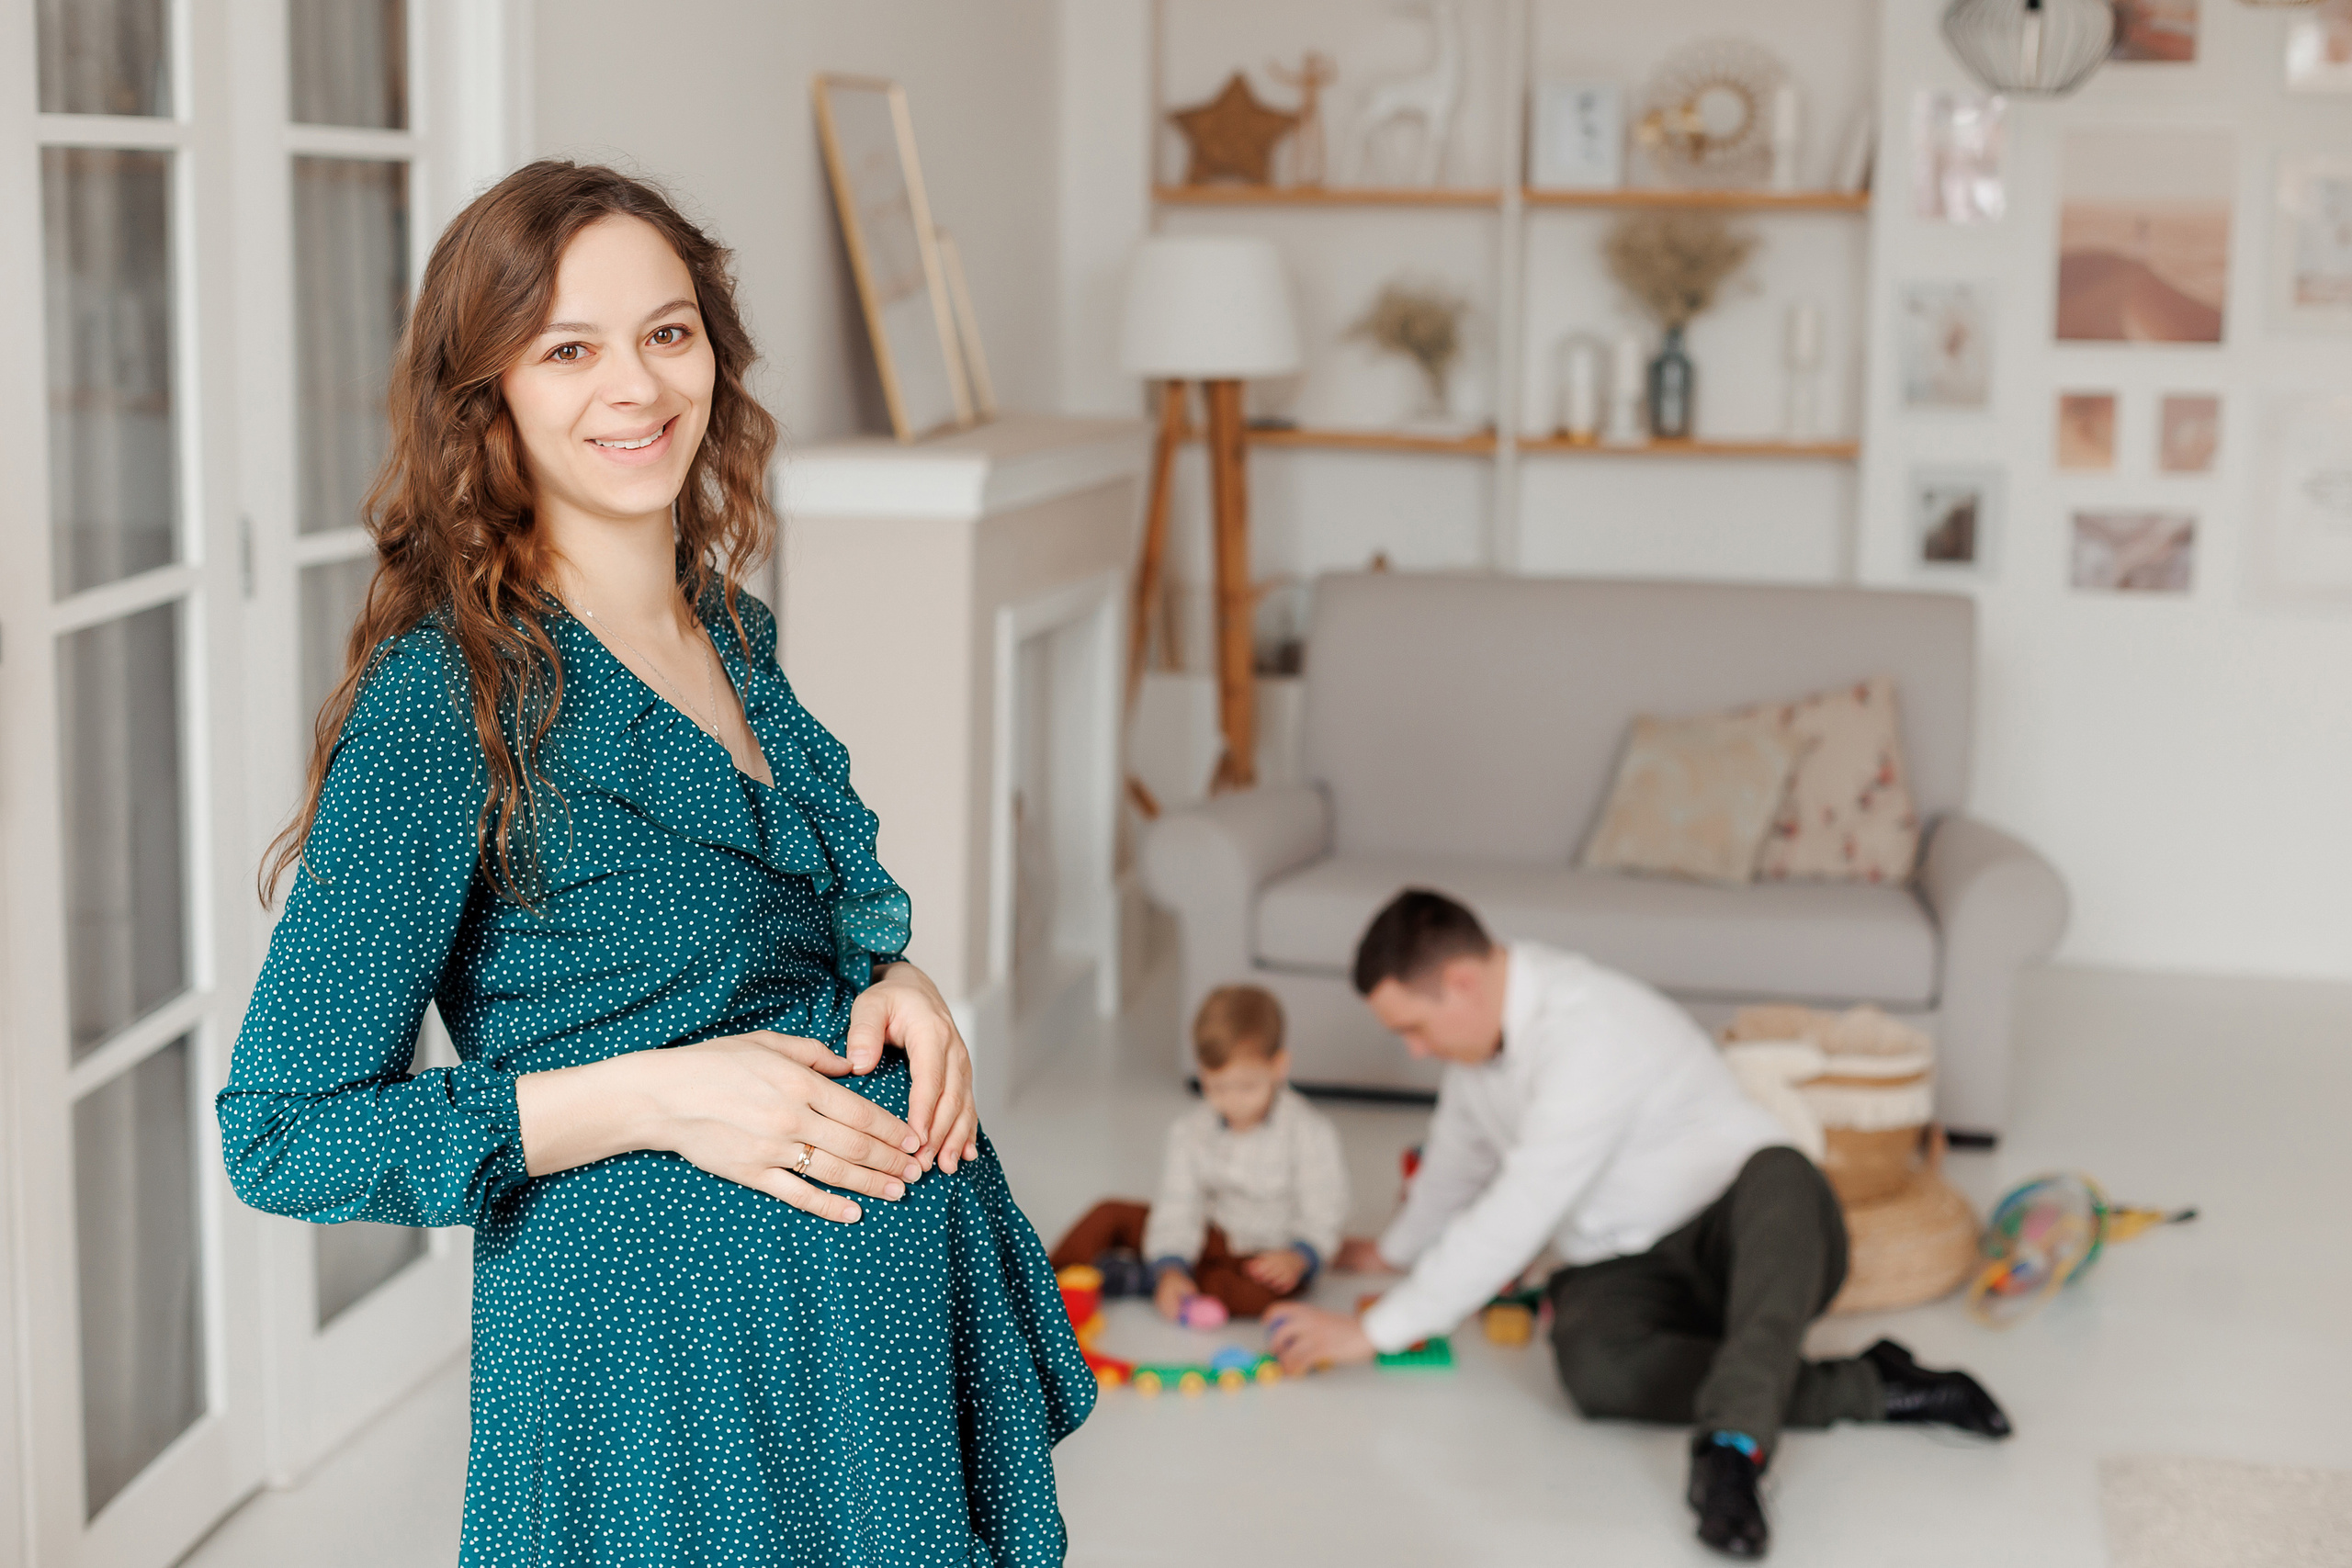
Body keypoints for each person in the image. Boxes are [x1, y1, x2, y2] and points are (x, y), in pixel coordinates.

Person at [217, 162, 1091, 1568]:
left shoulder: (727, 627)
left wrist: (898, 980)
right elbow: (286, 1130)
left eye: (666, 332)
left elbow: (796, 915)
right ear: (488, 395)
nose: (636, 385)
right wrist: (656, 1093)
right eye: (568, 349)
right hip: (657, 1412)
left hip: (854, 1370)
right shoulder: (445, 699)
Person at [1267, 889, 2009, 1560]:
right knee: (1592, 1371)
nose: (1414, 1049)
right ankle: (1871, 1384)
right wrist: (1393, 1250)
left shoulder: (1587, 1027)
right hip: (1631, 1265)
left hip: (1744, 1238)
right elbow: (1455, 1166)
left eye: (1414, 1027)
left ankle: (1730, 1452)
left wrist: (1375, 1330)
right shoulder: (1476, 1059)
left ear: (1461, 983)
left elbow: (1521, 1206)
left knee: (1781, 1174)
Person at [1049, 986, 1348, 1325]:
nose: (1231, 1102)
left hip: (1266, 1256)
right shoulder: (1189, 1131)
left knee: (1251, 1295)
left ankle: (1139, 1280)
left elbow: (1324, 1210)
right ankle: (1044, 1281)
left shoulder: (1311, 1133)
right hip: (1207, 1236)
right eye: (1216, 1087)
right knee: (1109, 1214)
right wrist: (1171, 1266)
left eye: (1246, 1087)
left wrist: (1300, 1255)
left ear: (1278, 1066)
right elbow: (1178, 1205)